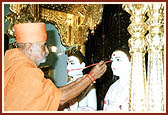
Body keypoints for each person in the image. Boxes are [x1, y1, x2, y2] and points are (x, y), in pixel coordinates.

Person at [4, 22, 107, 111]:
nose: (47, 51)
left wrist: (83, 80)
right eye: (43, 46)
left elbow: (54, 93)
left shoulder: (13, 63)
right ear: (29, 47)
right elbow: (60, 98)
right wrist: (91, 77)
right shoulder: (27, 71)